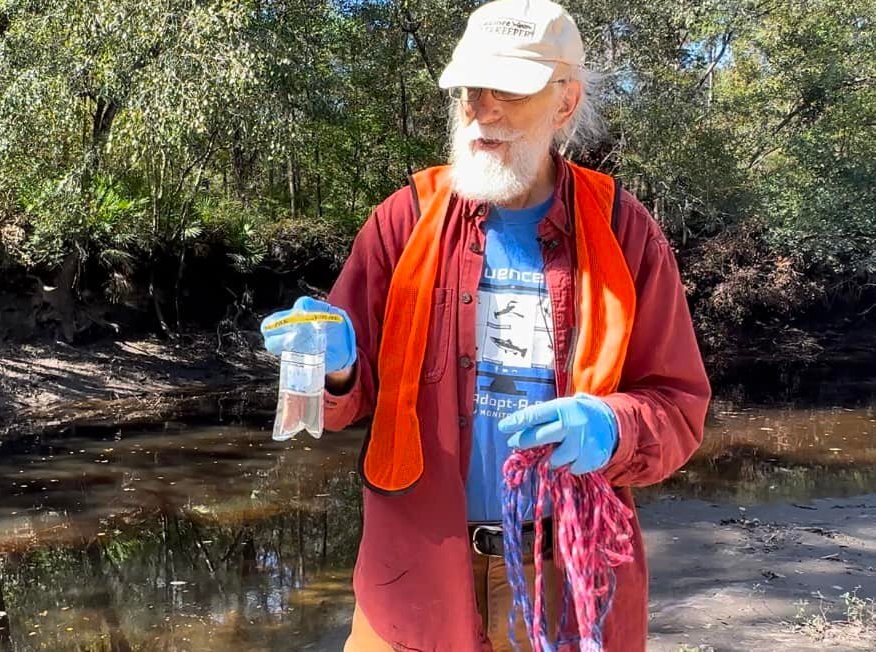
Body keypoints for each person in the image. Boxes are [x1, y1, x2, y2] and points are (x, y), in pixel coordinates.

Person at [260, 0, 711, 650]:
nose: (482, 107)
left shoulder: (622, 230)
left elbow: (677, 409)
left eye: (510, 89)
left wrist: (612, 425)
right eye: (471, 88)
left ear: (563, 102)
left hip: (563, 577)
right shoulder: (401, 219)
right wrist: (332, 365)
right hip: (413, 576)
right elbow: (334, 408)